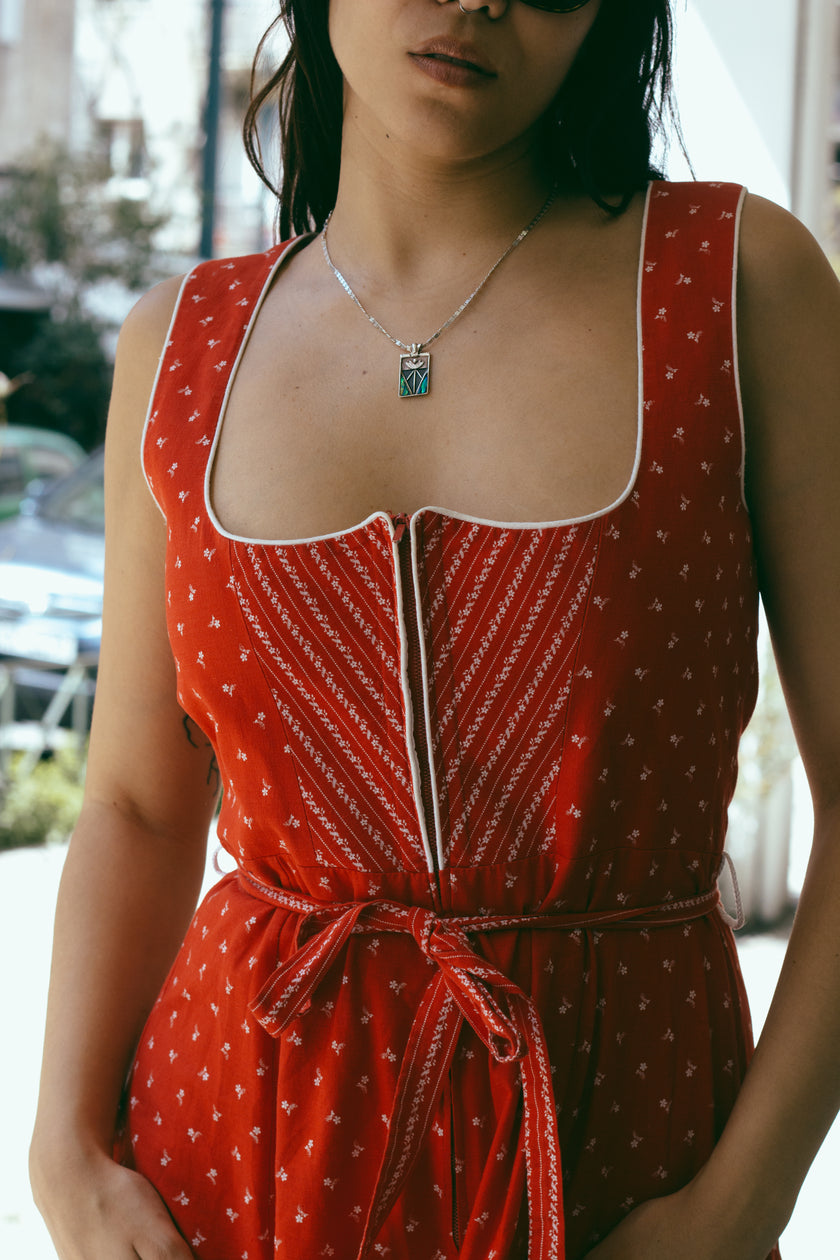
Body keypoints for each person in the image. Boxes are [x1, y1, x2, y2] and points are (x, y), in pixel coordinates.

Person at [29, 0, 840, 1257]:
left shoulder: (737, 286)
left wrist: (741, 1206)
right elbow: (136, 801)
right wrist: (68, 1156)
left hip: (621, 1165)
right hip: (228, 1166)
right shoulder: (180, 343)